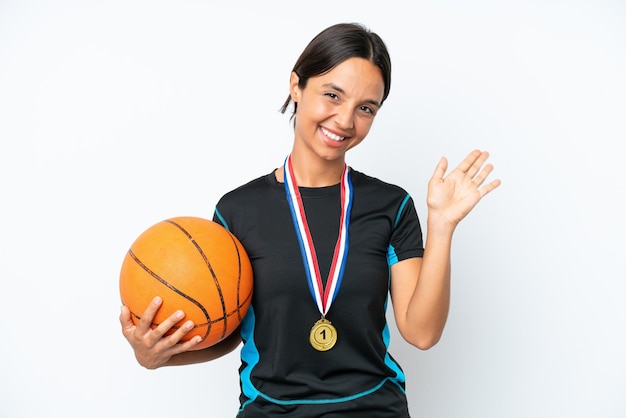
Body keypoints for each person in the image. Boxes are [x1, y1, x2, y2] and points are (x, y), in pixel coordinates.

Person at [120, 22, 501, 417]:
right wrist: (157, 356)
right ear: (296, 86)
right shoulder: (236, 210)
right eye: (332, 95)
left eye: (365, 108)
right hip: (270, 410)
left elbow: (421, 333)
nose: (345, 120)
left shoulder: (392, 206)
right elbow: (225, 326)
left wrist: (442, 225)